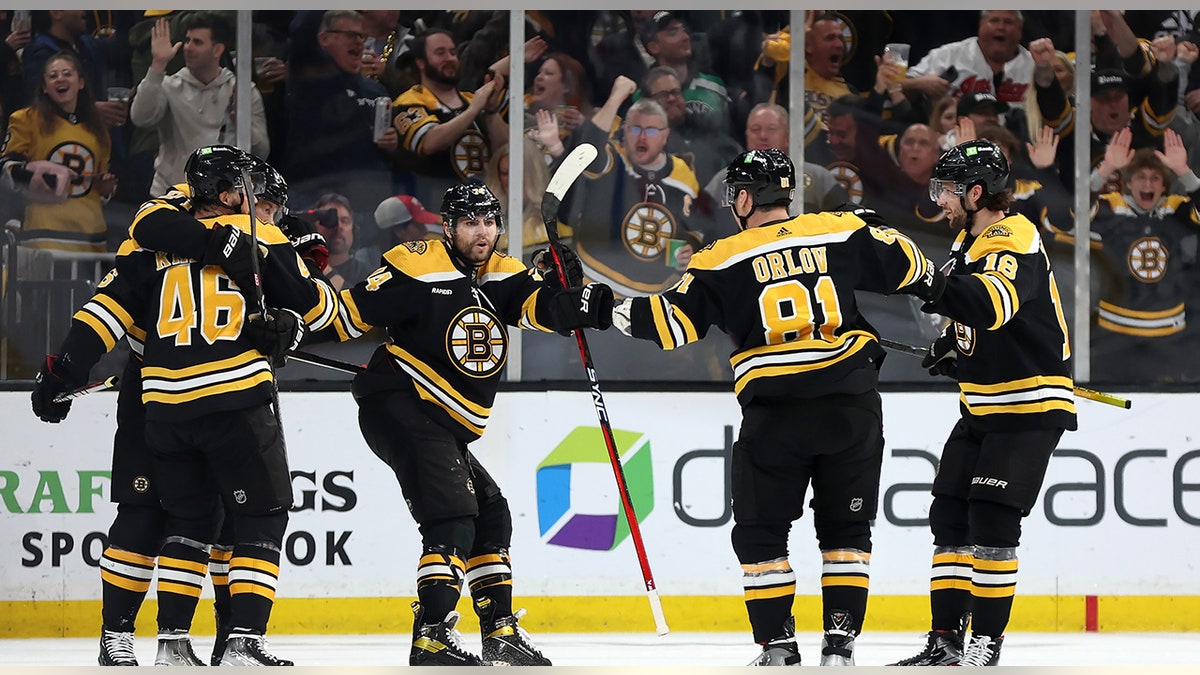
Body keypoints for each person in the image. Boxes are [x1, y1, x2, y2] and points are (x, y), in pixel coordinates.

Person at [611, 148, 944, 666]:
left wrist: (595, 304)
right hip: (851, 408)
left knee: (762, 531)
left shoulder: (720, 257)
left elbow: (665, 324)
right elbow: (914, 268)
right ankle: (840, 648)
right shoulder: (837, 228)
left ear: (745, 197)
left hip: (777, 415)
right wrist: (875, 229)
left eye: (735, 196)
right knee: (847, 532)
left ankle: (779, 647)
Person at [30, 147, 317, 666]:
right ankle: (229, 640)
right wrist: (288, 314)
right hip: (218, 393)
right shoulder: (243, 234)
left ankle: (179, 642)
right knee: (176, 515)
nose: (265, 209)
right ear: (229, 192)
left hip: (162, 394)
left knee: (196, 519)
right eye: (259, 198)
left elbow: (103, 312)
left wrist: (63, 373)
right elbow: (315, 305)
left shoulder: (157, 244)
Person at [314, 182, 613, 665]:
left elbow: (546, 310)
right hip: (400, 402)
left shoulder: (502, 273)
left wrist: (580, 298)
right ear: (448, 227)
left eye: (490, 222)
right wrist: (293, 317)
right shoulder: (416, 264)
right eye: (471, 222)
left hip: (442, 419)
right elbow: (349, 317)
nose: (483, 232)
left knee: (491, 515)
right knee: (453, 515)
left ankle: (499, 631)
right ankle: (431, 633)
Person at [893, 139, 1077, 666]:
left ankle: (984, 644)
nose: (941, 200)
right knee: (949, 516)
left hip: (1028, 404)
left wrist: (923, 279)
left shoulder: (1011, 236)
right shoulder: (967, 241)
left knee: (993, 520)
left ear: (977, 192)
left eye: (948, 190)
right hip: (982, 402)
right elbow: (978, 320)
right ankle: (946, 640)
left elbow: (993, 305)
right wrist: (955, 345)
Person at [129, 13, 269, 197]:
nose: (188, 47)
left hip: (223, 198)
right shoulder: (169, 86)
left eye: (197, 42)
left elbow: (262, 151)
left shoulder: (244, 92)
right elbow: (140, 117)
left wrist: (242, 121)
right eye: (187, 41)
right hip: (172, 195)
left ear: (217, 49)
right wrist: (158, 65)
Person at [0, 50, 117, 252]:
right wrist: (39, 176)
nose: (60, 79)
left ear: (81, 82)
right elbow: (6, 167)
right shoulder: (26, 119)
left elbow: (99, 186)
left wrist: (106, 190)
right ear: (44, 87)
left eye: (67, 73)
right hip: (44, 231)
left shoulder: (98, 130)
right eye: (52, 76)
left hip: (91, 235)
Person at [392, 28, 509, 207]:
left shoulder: (472, 98)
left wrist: (492, 111)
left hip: (486, 208)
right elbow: (429, 142)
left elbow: (505, 151)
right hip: (437, 211)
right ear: (421, 63)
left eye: (453, 52)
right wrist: (473, 110)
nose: (450, 58)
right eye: (440, 53)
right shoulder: (408, 101)